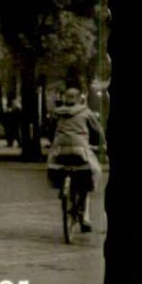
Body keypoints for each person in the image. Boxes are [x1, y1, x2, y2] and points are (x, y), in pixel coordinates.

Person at [47, 87, 104, 231]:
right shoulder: (86, 112)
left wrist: (53, 141)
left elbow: (48, 130)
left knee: (57, 167)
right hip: (80, 150)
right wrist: (100, 143)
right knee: (93, 172)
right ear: (79, 99)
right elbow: (97, 130)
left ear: (65, 98)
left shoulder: (57, 113)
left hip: (59, 151)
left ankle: (62, 188)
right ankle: (84, 217)